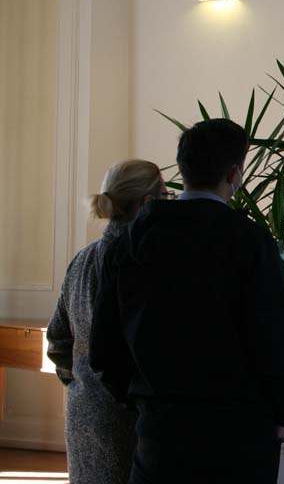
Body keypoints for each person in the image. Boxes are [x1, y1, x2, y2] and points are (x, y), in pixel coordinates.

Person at [89, 118, 284, 484]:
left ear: (181, 169)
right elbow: (270, 340)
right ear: (234, 173)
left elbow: (104, 348)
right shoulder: (250, 242)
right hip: (238, 435)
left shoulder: (130, 242)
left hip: (160, 434)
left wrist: (142, 399)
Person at [46, 160, 169, 484]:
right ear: (148, 203)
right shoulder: (144, 263)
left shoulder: (82, 260)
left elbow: (58, 340)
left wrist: (81, 383)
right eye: (166, 197)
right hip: (130, 417)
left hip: (84, 410)